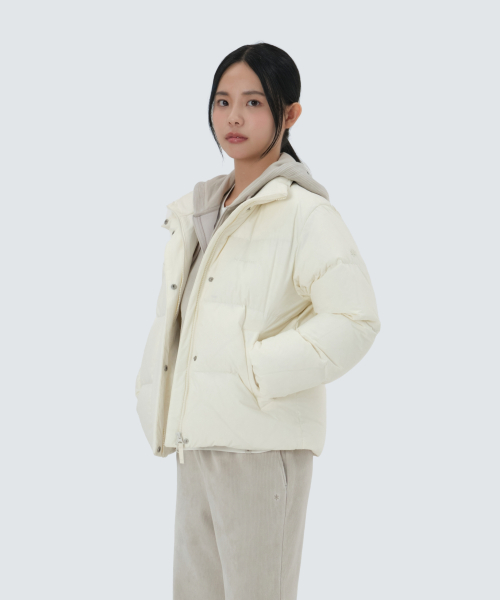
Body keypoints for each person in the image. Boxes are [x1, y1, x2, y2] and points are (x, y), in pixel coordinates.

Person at [135, 42, 381, 600]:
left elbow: (356, 318)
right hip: (197, 439)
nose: (234, 117)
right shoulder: (202, 209)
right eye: (222, 101)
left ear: (289, 114)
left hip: (262, 448)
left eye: (253, 102)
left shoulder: (304, 213)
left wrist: (257, 370)